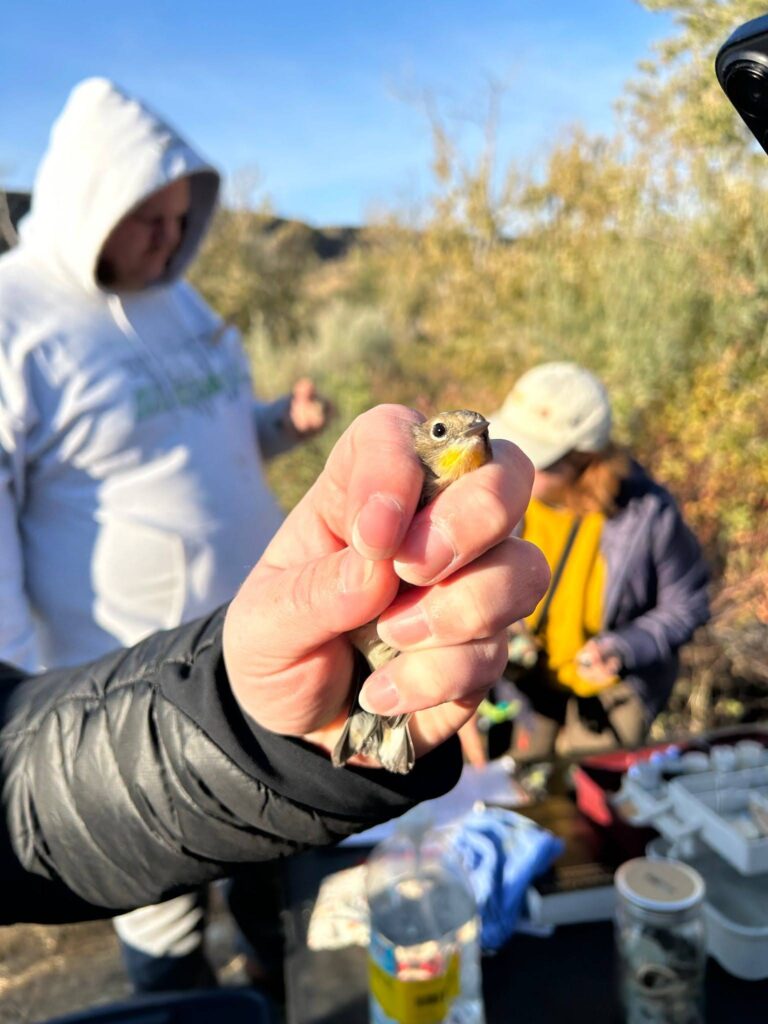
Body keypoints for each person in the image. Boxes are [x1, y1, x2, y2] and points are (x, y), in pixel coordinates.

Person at [0, 77, 330, 993]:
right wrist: (15, 697)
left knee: (273, 857)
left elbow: (204, 436)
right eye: (147, 219)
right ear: (85, 204)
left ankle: (274, 994)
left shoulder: (178, 301)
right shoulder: (14, 320)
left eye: (181, 219)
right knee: (165, 912)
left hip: (256, 655)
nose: (168, 239)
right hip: (127, 698)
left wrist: (277, 425)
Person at [0, 404, 548, 925]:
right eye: (443, 433)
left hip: (248, 706)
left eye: (479, 433)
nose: (468, 438)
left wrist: (268, 733)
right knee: (181, 930)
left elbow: (33, 778)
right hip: (148, 692)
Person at [477, 361, 710, 761]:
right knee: (521, 778)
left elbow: (688, 603)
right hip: (527, 682)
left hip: (609, 694)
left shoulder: (648, 514)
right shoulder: (506, 500)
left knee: (590, 790)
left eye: (534, 459)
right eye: (506, 450)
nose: (511, 466)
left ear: (585, 461)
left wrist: (623, 648)